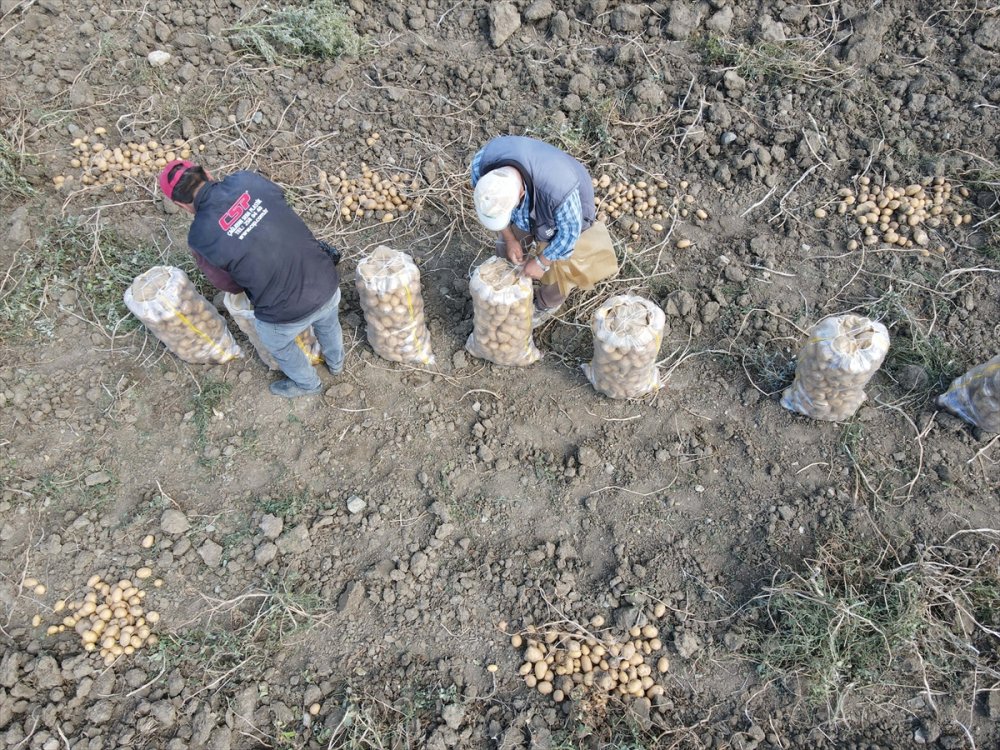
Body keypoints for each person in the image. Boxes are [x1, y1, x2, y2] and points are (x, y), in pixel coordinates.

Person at [158, 160, 344, 398]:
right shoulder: (247, 180)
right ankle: (337, 364)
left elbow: (229, 286)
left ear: (180, 205)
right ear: (207, 173)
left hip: (285, 313)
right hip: (326, 281)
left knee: (277, 342)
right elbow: (280, 205)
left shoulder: (200, 237)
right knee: (329, 323)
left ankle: (308, 384)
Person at [470, 135, 617, 326]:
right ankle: (505, 286)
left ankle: (545, 304)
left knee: (561, 269)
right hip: (536, 190)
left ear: (521, 194)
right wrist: (510, 238)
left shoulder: (559, 193)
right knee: (506, 245)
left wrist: (541, 262)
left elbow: (568, 236)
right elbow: (495, 210)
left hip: (567, 204)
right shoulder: (482, 166)